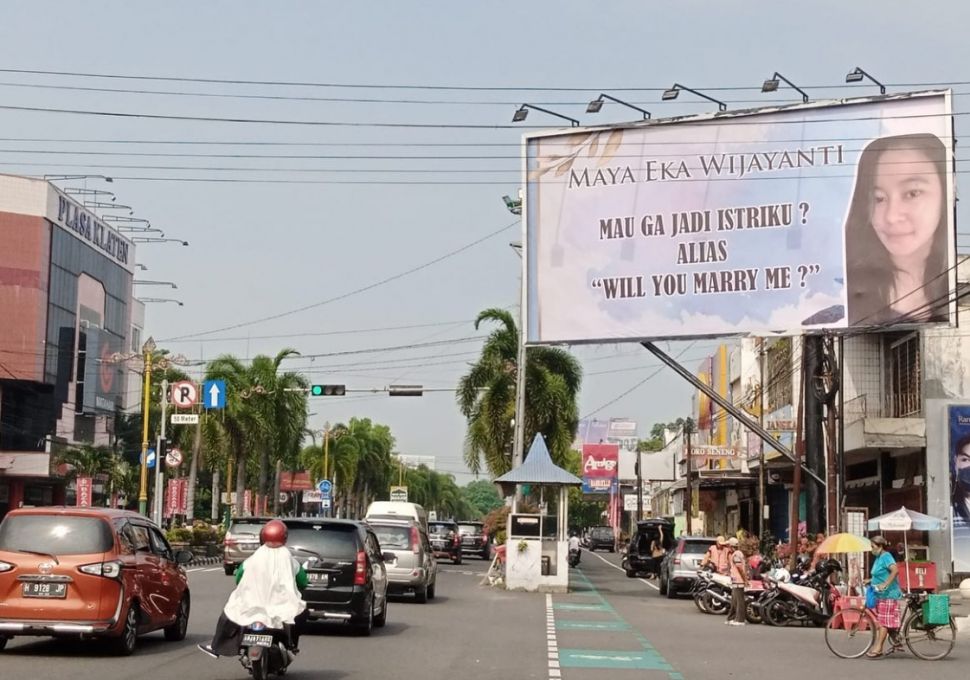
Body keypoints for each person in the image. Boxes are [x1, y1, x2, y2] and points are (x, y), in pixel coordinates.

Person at [845, 133, 950, 326]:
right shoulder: (843, 299)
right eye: (878, 198)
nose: (891, 216)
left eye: (912, 193)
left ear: (947, 191)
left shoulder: (957, 287)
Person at [199, 519, 308, 659]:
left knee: (229, 612)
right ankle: (291, 645)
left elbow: (239, 578)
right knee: (302, 613)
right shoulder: (290, 559)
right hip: (281, 606)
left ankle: (217, 647)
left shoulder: (253, 558)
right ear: (284, 537)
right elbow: (303, 581)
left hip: (251, 604)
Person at [866, 535, 903, 658]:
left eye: (873, 547)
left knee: (883, 622)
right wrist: (870, 580)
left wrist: (886, 584)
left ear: (880, 546)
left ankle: (878, 648)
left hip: (889, 594)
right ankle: (896, 640)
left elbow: (895, 570)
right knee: (884, 619)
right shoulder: (878, 558)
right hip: (880, 595)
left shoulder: (886, 556)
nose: (872, 549)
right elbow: (879, 574)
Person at [725, 537, 748, 626]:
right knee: (734, 600)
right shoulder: (736, 554)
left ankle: (740, 619)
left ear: (731, 546)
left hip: (739, 581)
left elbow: (739, 568)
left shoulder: (736, 555)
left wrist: (745, 579)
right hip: (736, 580)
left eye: (728, 545)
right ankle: (732, 617)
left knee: (739, 601)